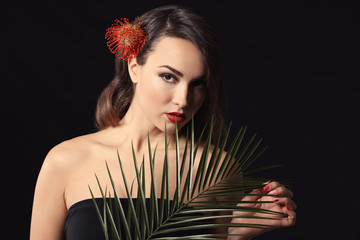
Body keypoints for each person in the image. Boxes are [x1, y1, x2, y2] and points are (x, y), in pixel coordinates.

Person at [30, 5, 296, 240]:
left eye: (198, 84)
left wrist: (235, 235)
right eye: (169, 77)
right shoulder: (66, 161)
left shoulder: (217, 169)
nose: (183, 99)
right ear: (134, 67)